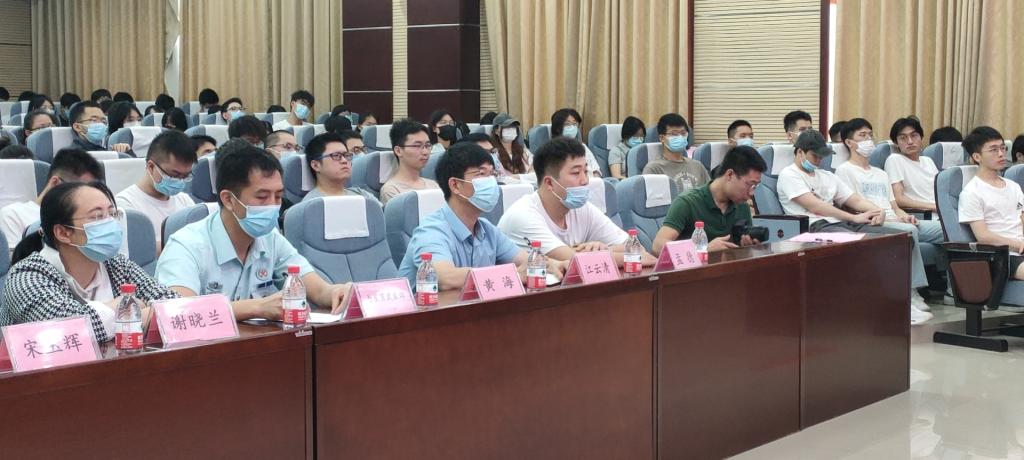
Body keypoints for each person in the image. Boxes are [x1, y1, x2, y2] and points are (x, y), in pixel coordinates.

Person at [156, 148, 351, 319]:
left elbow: (317, 290)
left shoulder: (271, 238)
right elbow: (179, 312)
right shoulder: (186, 245)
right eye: (262, 197)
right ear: (229, 200)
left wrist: (336, 292)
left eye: (278, 196)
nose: (273, 206)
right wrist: (256, 308)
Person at [778, 130, 931, 324]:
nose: (818, 161)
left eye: (821, 157)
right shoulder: (789, 175)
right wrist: (854, 217)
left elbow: (855, 200)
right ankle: (891, 305)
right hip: (813, 228)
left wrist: (877, 211)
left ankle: (903, 299)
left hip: (842, 224)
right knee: (864, 246)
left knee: (899, 239)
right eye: (815, 156)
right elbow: (816, 206)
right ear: (800, 152)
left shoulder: (826, 176)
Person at [1, 181, 179, 342]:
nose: (110, 223)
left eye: (111, 214)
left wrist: (117, 315)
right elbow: (68, 331)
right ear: (63, 232)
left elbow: (173, 306)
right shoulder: (26, 277)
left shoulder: (116, 264)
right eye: (97, 216)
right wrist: (127, 309)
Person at [398, 143, 567, 289]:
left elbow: (528, 260)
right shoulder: (431, 231)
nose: (491, 182)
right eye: (480, 174)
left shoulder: (486, 229)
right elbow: (444, 277)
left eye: (492, 174)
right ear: (455, 185)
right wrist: (512, 274)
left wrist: (558, 264)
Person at [835, 118, 944, 309]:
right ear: (849, 142)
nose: (869, 140)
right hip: (872, 222)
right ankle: (912, 291)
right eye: (862, 135)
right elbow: (848, 206)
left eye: (870, 135)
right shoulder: (844, 171)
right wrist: (879, 215)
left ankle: (951, 286)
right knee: (910, 231)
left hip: (895, 219)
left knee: (946, 229)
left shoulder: (880, 173)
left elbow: (894, 205)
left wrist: (903, 215)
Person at [498, 137, 657, 267]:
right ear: (549, 183)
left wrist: (604, 249)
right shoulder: (523, 215)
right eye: (575, 173)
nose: (585, 180)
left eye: (585, 171)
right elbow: (574, 261)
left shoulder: (581, 208)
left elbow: (636, 248)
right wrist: (613, 255)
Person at [652, 146, 766, 255]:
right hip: (695, 267)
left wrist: (747, 246)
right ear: (730, 175)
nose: (751, 193)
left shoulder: (742, 206)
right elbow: (658, 246)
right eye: (749, 184)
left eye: (755, 186)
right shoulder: (687, 203)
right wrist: (703, 249)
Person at [1, 148, 102, 252]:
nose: (88, 198)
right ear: (56, 183)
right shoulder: (13, 215)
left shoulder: (95, 216)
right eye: (82, 191)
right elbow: (14, 260)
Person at [958, 126, 1024, 281]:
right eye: (993, 150)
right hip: (1002, 255)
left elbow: (1022, 217)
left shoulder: (1013, 186)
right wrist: (1019, 245)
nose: (1001, 154)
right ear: (977, 157)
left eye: (1003, 148)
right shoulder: (971, 192)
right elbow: (983, 236)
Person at [114, 131, 197, 249]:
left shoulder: (185, 200)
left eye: (185, 176)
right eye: (174, 175)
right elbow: (138, 250)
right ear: (151, 166)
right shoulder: (125, 204)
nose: (179, 181)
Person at [642, 113, 709, 195]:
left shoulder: (698, 166)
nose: (680, 137)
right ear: (662, 138)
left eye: (683, 133)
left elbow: (709, 195)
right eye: (674, 134)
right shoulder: (654, 169)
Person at [302, 132, 377, 203]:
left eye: (346, 155)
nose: (344, 160)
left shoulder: (362, 195)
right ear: (316, 165)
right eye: (336, 156)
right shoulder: (311, 204)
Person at [380, 119, 440, 204]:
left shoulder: (434, 185)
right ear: (398, 151)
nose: (425, 152)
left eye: (427, 145)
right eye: (417, 146)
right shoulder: (391, 190)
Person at [886, 116, 938, 212]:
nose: (910, 142)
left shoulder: (928, 161)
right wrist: (934, 207)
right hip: (921, 215)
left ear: (921, 137)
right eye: (903, 138)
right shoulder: (895, 160)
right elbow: (899, 199)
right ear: (896, 143)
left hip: (940, 213)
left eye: (914, 136)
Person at [550, 108, 601, 177]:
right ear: (557, 128)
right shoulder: (551, 149)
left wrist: (596, 180)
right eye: (567, 124)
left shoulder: (582, 146)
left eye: (574, 124)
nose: (572, 127)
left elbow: (596, 169)